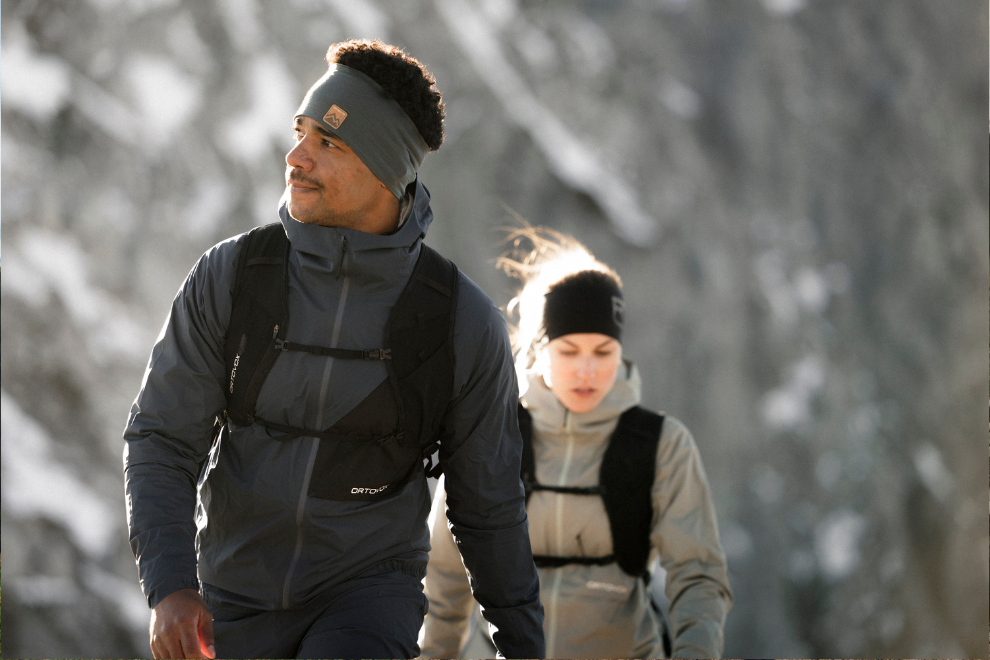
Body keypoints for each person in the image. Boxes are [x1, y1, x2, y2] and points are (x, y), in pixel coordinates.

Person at [123, 40, 544, 660]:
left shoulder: (458, 322)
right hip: (229, 597)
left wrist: (526, 649)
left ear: (384, 169)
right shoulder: (233, 275)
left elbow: (489, 509)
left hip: (367, 601)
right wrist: (170, 588)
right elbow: (162, 437)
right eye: (301, 132)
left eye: (329, 143)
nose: (296, 157)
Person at [419, 228, 732, 659]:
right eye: (569, 352)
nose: (588, 371)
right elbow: (445, 581)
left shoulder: (663, 445)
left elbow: (698, 576)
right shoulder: (490, 436)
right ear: (539, 348)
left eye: (604, 352)